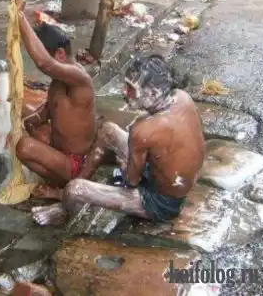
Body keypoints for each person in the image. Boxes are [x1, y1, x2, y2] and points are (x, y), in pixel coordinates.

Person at [31, 54, 205, 226]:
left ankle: (63, 211)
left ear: (152, 92)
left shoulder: (142, 130)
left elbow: (132, 181)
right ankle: (83, 176)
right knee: (108, 130)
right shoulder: (182, 97)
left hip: (160, 203)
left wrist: (124, 165)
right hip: (176, 182)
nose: (124, 91)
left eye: (130, 88)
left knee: (75, 189)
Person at [14, 0, 98, 200]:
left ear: (59, 54)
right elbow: (50, 109)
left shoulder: (79, 78)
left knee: (24, 147)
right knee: (27, 118)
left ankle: (62, 190)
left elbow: (44, 63)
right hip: (62, 152)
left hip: (77, 164)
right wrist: (30, 121)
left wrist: (20, 17)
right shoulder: (59, 81)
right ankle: (57, 177)